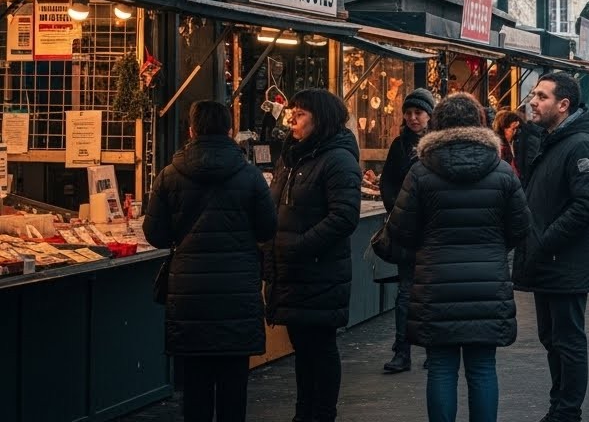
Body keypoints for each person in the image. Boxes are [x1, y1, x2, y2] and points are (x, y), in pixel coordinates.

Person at [374, 92, 530, 422]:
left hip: (435, 284)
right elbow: (521, 227)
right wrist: (494, 250)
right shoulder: (501, 172)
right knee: (483, 368)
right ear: (480, 123)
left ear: (437, 124)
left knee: (442, 369)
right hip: (488, 284)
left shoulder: (420, 173)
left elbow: (400, 229)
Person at [144, 100, 276, 422]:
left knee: (195, 388)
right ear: (230, 131)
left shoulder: (169, 176)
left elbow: (155, 235)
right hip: (238, 293)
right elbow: (267, 229)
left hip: (190, 296)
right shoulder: (251, 177)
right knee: (234, 388)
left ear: (191, 130)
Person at [264, 89, 361, 422]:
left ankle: (321, 414)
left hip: (319, 272)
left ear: (321, 119)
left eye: (301, 113)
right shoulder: (291, 158)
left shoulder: (337, 159)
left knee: (319, 348)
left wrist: (298, 247)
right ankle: (304, 413)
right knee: (303, 351)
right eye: (292, 111)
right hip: (291, 272)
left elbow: (344, 216)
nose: (292, 119)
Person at [513, 72, 589, 422]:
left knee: (567, 340)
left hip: (564, 260)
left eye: (541, 96)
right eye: (533, 95)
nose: (532, 102)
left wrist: (545, 239)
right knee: (551, 338)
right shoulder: (550, 139)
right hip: (545, 258)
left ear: (563, 105)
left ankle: (567, 412)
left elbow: (588, 205)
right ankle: (559, 405)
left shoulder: (579, 144)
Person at [380, 87, 436, 374]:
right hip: (405, 229)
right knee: (405, 293)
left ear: (429, 115)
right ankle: (402, 350)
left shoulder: (438, 143)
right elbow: (387, 182)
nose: (413, 118)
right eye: (409, 113)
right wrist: (396, 208)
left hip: (432, 231)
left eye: (418, 112)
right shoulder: (399, 145)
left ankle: (431, 348)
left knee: (430, 293)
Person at [493, 109, 526, 175]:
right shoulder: (499, 150)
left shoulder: (519, 143)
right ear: (503, 129)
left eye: (518, 128)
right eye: (513, 129)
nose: (516, 132)